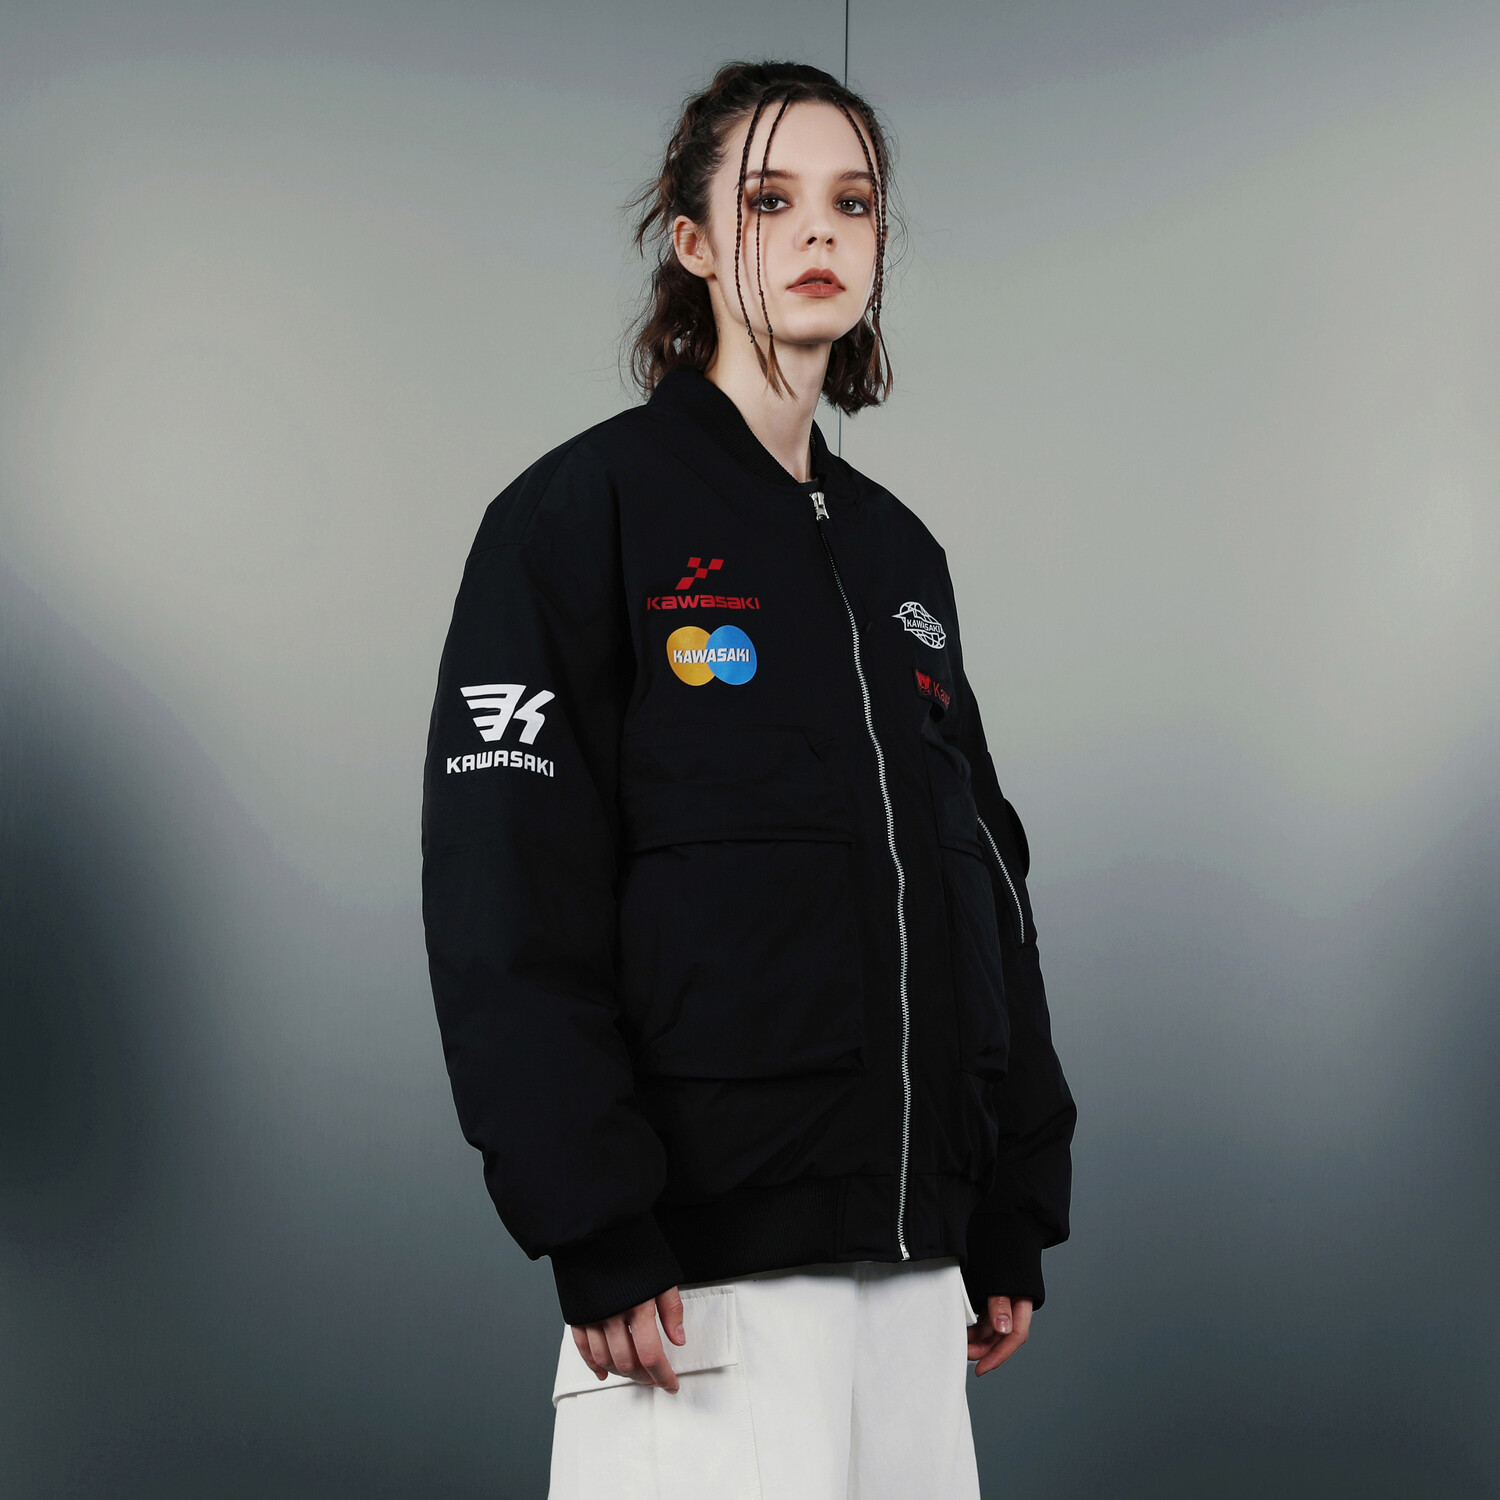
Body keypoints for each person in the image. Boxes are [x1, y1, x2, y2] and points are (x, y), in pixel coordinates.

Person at [420, 58, 1076, 1500]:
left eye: (855, 202)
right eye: (771, 200)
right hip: (695, 1298)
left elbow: (981, 875)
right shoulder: (577, 516)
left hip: (916, 1294)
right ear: (696, 242)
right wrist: (593, 1215)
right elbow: (503, 892)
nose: (821, 231)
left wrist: (1012, 1199)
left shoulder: (901, 557)